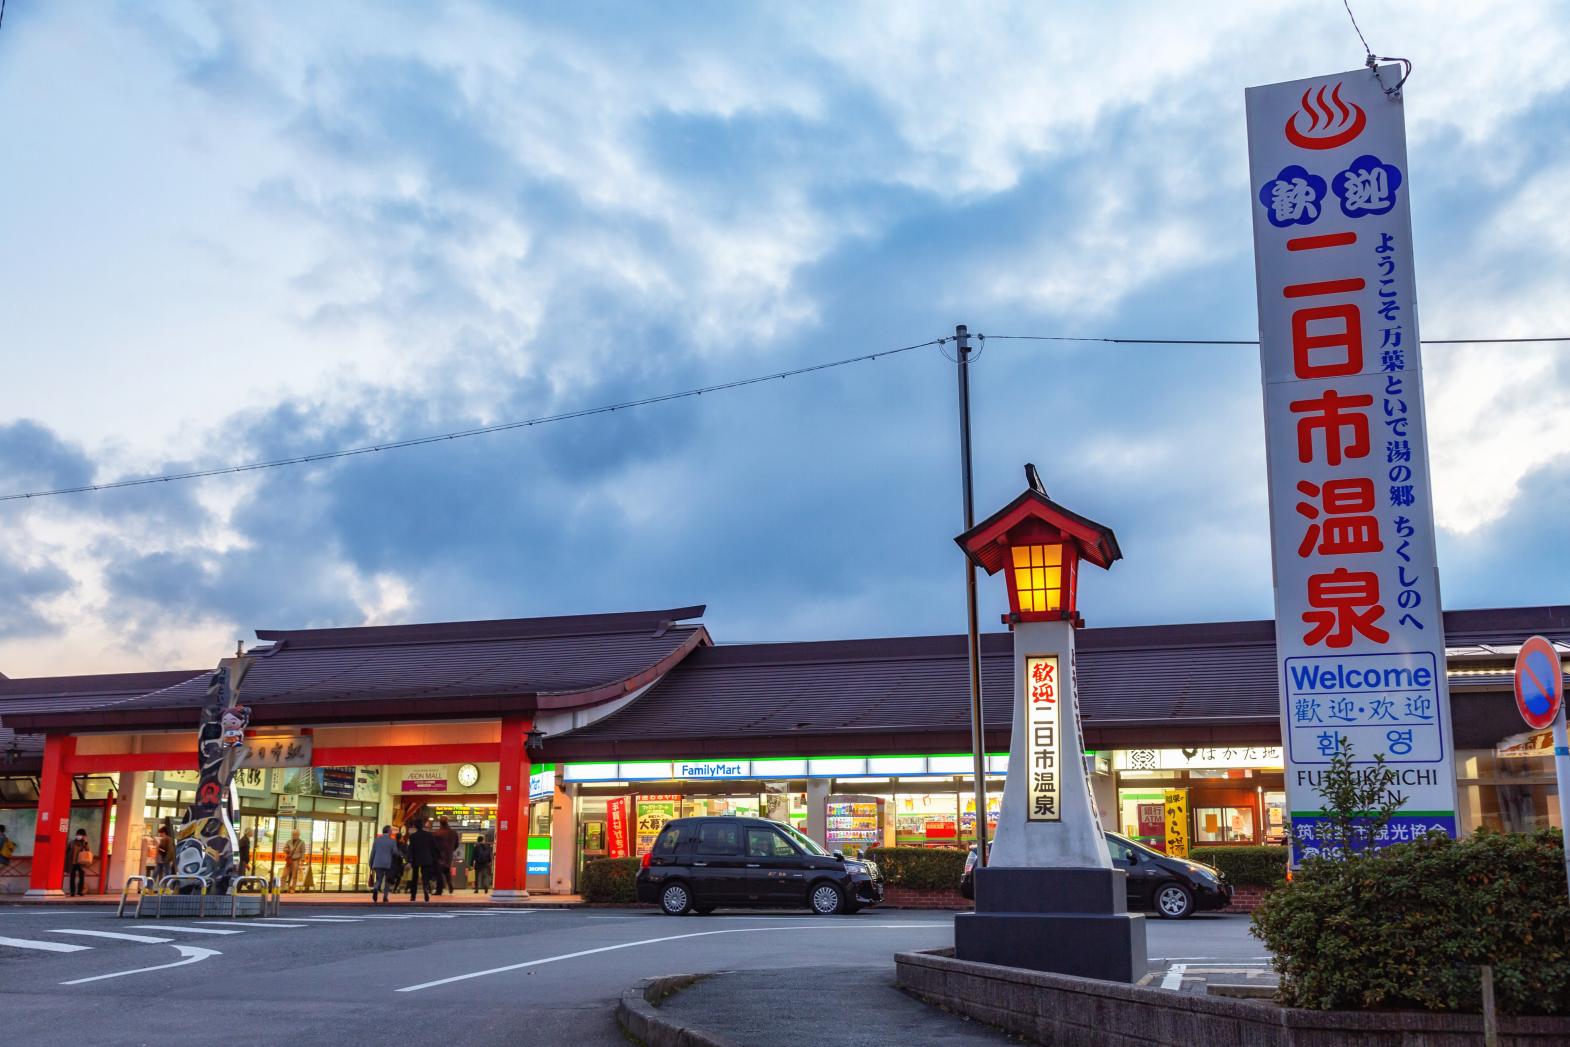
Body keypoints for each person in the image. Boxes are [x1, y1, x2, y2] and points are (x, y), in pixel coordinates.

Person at [406, 818, 438, 902]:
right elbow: (434, 848)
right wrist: (435, 858)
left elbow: (410, 849)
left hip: (416, 859)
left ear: (415, 826)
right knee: (425, 877)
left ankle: (413, 896)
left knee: (414, 878)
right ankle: (426, 890)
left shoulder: (413, 836)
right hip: (427, 859)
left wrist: (409, 861)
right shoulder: (429, 835)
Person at [368, 825, 398, 904]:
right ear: (389, 831)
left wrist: (371, 863)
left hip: (377, 863)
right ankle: (385, 897)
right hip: (388, 863)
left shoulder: (377, 840)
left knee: (379, 879)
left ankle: (376, 888)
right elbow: (395, 852)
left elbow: (373, 853)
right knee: (387, 881)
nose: (391, 832)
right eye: (391, 830)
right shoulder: (392, 841)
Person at [432, 818, 458, 895]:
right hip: (449, 855)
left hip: (439, 856)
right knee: (446, 870)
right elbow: (456, 845)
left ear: (440, 823)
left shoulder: (437, 833)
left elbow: (434, 845)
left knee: (439, 873)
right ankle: (450, 885)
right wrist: (451, 850)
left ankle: (439, 890)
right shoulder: (453, 833)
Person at [64, 828, 92, 897]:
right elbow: (66, 851)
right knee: (72, 877)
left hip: (81, 863)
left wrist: (85, 842)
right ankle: (72, 892)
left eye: (81, 835)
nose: (79, 836)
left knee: (81, 878)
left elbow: (87, 850)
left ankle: (80, 891)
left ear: (83, 836)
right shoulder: (71, 842)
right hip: (73, 863)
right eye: (78, 834)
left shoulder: (84, 843)